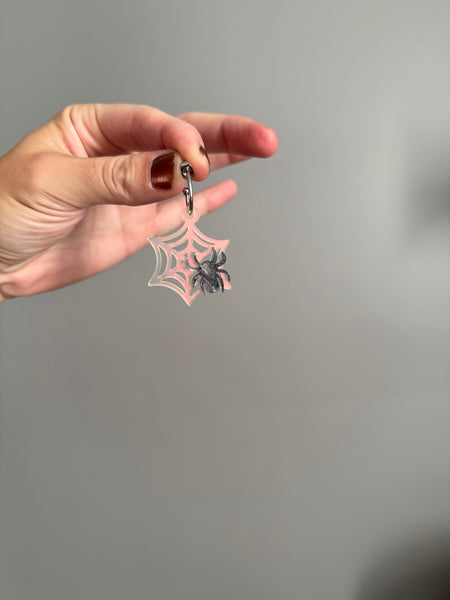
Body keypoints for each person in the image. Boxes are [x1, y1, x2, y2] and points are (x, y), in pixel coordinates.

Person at [0, 104, 278, 302]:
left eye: (207, 269)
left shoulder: (206, 268)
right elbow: (212, 263)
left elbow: (212, 263)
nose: (206, 268)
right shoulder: (206, 267)